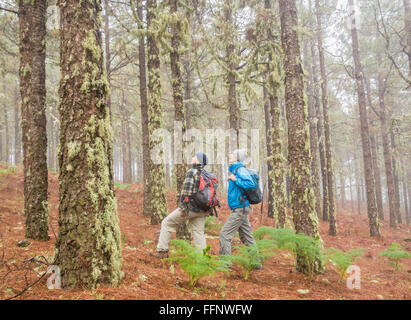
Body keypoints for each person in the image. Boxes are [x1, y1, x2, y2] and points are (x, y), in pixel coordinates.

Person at [150, 152, 209, 259]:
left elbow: (186, 193)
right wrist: (208, 210)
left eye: (194, 157)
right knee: (199, 233)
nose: (192, 157)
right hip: (202, 210)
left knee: (166, 223)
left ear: (198, 160)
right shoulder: (206, 174)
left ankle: (162, 251)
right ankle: (203, 259)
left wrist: (183, 208)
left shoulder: (192, 172)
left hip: (190, 208)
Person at [219, 149, 261, 268]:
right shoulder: (236, 170)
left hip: (240, 208)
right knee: (246, 237)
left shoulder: (240, 170)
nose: (229, 155)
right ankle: (256, 263)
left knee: (224, 234)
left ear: (238, 158)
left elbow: (250, 184)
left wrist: (235, 179)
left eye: (232, 154)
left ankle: (225, 264)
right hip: (241, 208)